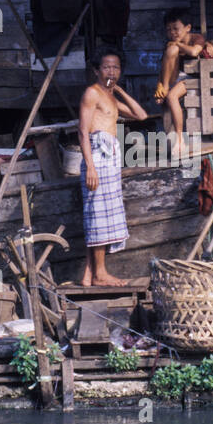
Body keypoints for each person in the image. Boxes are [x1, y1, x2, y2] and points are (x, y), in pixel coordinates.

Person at [78, 48, 147, 287]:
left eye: (116, 67)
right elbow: (83, 132)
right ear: (96, 70)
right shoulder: (92, 93)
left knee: (103, 214)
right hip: (97, 156)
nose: (112, 71)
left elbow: (141, 115)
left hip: (110, 160)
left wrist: (117, 89)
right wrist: (90, 167)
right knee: (97, 214)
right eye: (107, 67)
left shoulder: (111, 98)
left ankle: (89, 274)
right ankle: (100, 274)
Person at [154, 8, 213, 158]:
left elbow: (194, 52)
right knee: (170, 51)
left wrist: (177, 45)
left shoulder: (197, 38)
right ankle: (166, 88)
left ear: (187, 28)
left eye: (176, 28)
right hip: (177, 78)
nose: (172, 33)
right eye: (169, 30)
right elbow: (164, 67)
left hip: (194, 78)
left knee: (172, 97)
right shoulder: (171, 45)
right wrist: (160, 86)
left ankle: (179, 138)